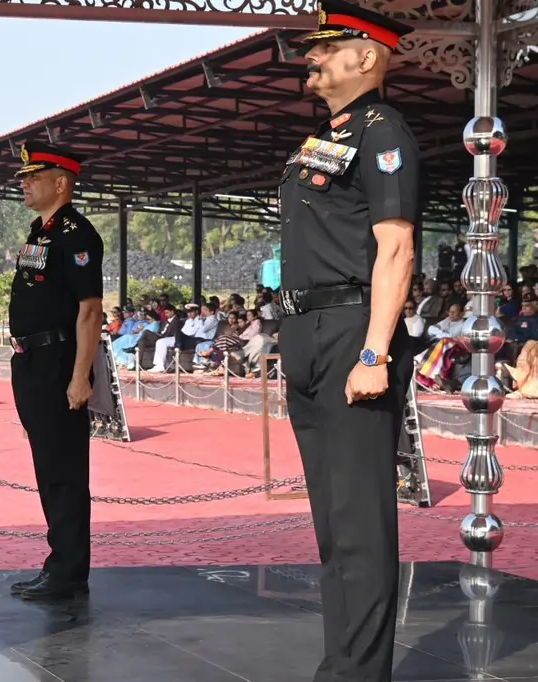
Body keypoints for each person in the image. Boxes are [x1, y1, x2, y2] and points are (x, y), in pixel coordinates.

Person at [277, 3, 417, 680]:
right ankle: (343, 665)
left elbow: (397, 249)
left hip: (352, 332)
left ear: (367, 56)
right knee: (332, 527)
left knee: (359, 524)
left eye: (329, 47)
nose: (314, 56)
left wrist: (374, 353)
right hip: (308, 331)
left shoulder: (383, 131)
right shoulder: (324, 138)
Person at [5, 142, 103, 601]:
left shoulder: (76, 234)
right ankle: (59, 561)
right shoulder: (39, 231)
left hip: (58, 361)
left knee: (63, 470)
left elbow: (89, 311)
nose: (24, 182)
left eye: (33, 175)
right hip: (30, 362)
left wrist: (80, 375)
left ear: (60, 183)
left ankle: (68, 570)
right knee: (48, 466)